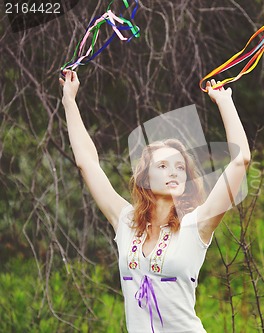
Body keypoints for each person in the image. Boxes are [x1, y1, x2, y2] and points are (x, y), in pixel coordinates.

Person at [59, 70, 251, 333]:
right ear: (145, 178)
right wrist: (69, 102)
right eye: (163, 165)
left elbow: (240, 160)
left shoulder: (198, 224)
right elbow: (87, 163)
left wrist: (224, 102)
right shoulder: (125, 222)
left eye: (180, 167)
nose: (173, 171)